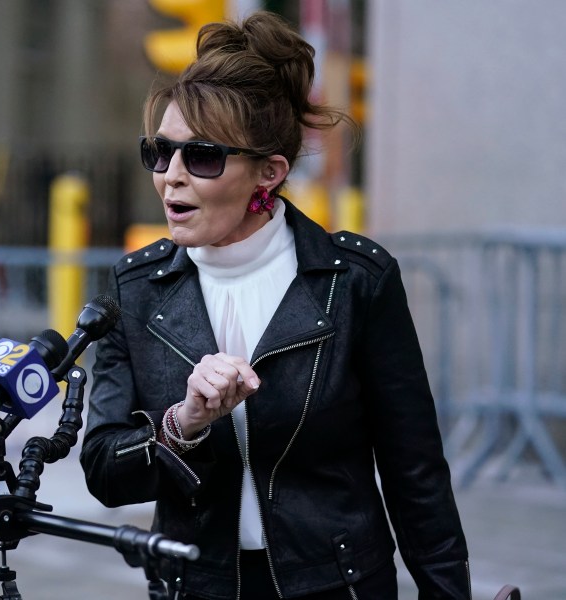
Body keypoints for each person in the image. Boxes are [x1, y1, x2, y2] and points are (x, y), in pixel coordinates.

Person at [79, 10, 469, 600]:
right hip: (195, 585)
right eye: (159, 152)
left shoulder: (354, 281)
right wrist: (183, 426)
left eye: (202, 157)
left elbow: (415, 472)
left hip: (338, 584)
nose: (169, 178)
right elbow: (105, 471)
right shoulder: (137, 288)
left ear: (269, 172)